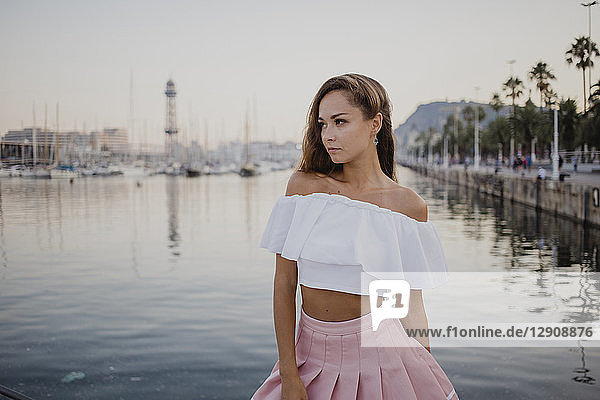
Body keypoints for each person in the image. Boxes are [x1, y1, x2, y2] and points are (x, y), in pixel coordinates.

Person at [251, 74, 458, 400]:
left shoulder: (408, 206)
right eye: (322, 124)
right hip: (308, 359)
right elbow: (284, 283)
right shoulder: (304, 188)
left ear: (374, 123)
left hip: (385, 359)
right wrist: (289, 373)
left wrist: (423, 367)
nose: (328, 136)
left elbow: (410, 305)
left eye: (340, 122)